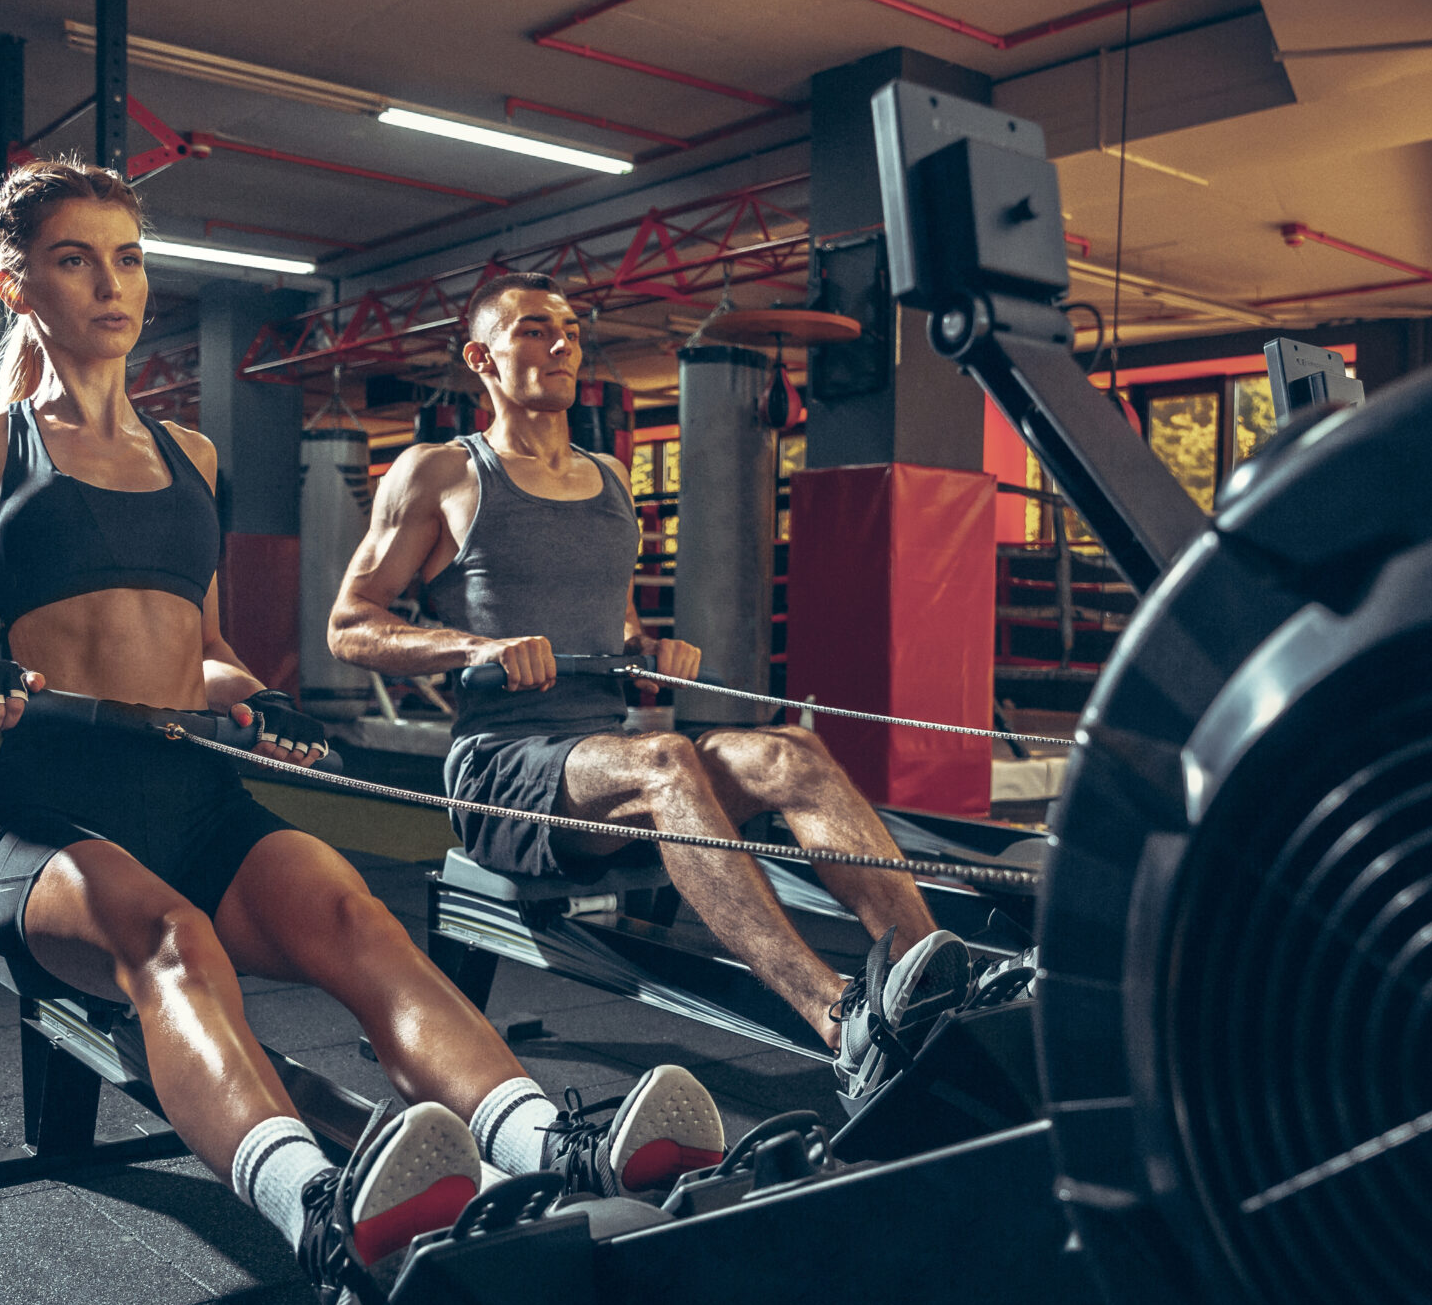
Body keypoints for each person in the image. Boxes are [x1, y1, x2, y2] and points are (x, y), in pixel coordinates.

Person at [0, 163, 722, 1305]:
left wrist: (258, 698)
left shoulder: (196, 457)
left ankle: (547, 1141)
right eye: (75, 259)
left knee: (352, 909)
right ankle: (316, 1210)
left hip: (195, 794)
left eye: (126, 257)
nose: (111, 283)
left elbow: (203, 650)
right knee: (174, 941)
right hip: (55, 816)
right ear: (18, 286)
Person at [327, 272, 972, 1105]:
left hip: (610, 775)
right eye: (532, 330)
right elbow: (350, 623)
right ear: (481, 358)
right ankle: (840, 1018)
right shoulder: (439, 473)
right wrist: (476, 646)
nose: (561, 344)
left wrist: (647, 646)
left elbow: (617, 624)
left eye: (568, 329)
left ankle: (931, 980)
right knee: (667, 760)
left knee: (793, 752)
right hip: (502, 774)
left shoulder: (611, 478)